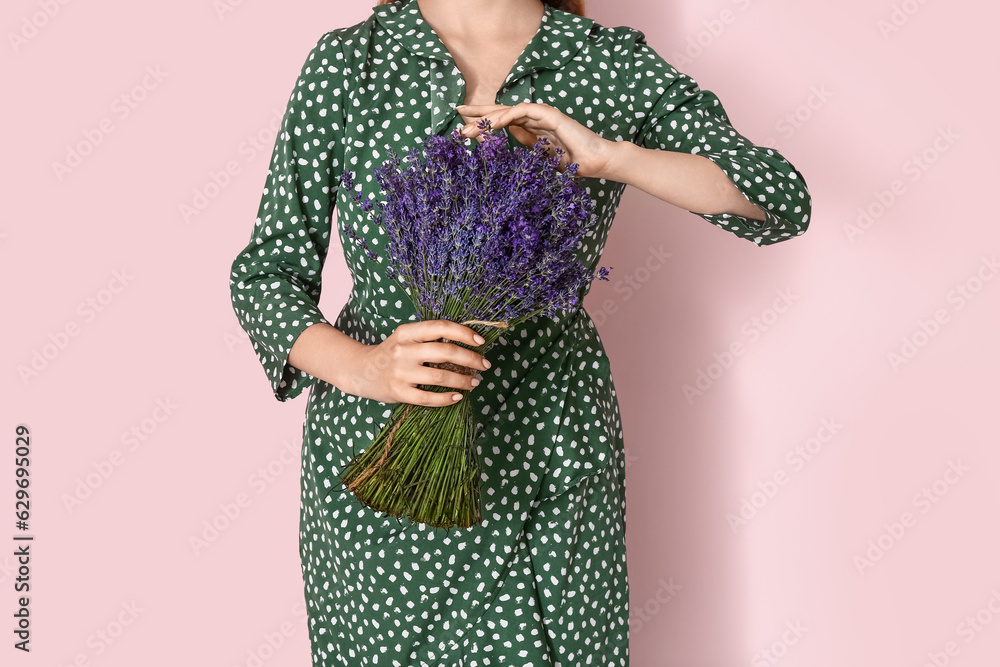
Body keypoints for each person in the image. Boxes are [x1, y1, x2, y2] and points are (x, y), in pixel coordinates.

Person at [228, 0, 812, 664]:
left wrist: (609, 158)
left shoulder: (603, 62)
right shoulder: (350, 65)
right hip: (378, 479)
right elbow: (266, 275)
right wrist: (368, 368)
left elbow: (776, 199)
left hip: (549, 464)